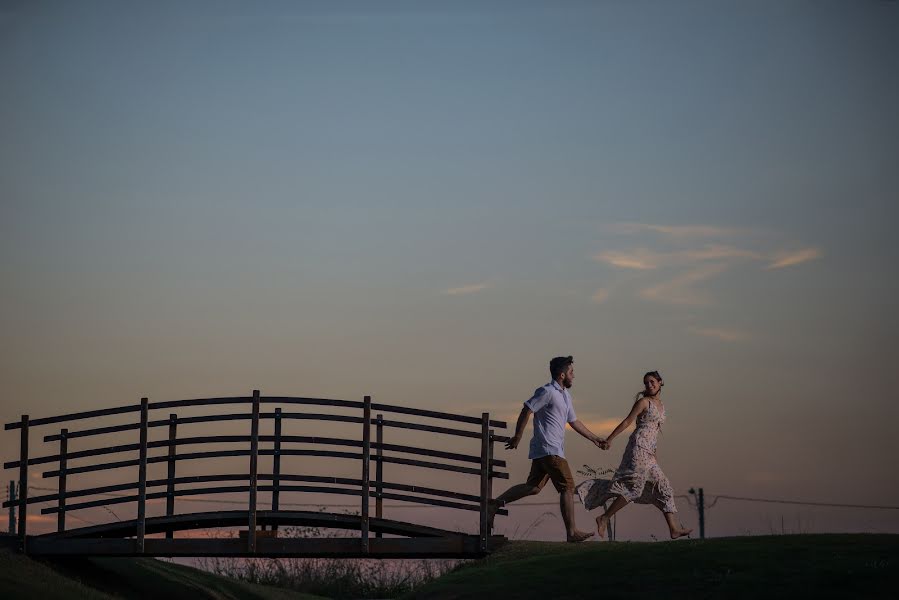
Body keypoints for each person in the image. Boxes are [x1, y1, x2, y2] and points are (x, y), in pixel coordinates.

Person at [489, 356, 605, 543]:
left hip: (549, 450)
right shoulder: (547, 391)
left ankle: (494, 504)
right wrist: (518, 436)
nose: (574, 376)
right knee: (567, 487)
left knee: (533, 487)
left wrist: (595, 439)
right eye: (571, 372)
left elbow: (573, 421)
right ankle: (571, 532)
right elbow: (527, 409)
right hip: (549, 448)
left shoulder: (565, 395)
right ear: (561, 375)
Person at [588, 370, 692, 540]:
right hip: (638, 448)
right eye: (646, 383)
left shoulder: (662, 406)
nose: (649, 385)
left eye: (652, 382)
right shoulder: (644, 402)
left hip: (649, 453)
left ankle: (674, 529)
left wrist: (655, 455)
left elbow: (655, 432)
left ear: (660, 382)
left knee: (664, 486)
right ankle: (604, 518)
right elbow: (628, 421)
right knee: (634, 489)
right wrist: (610, 439)